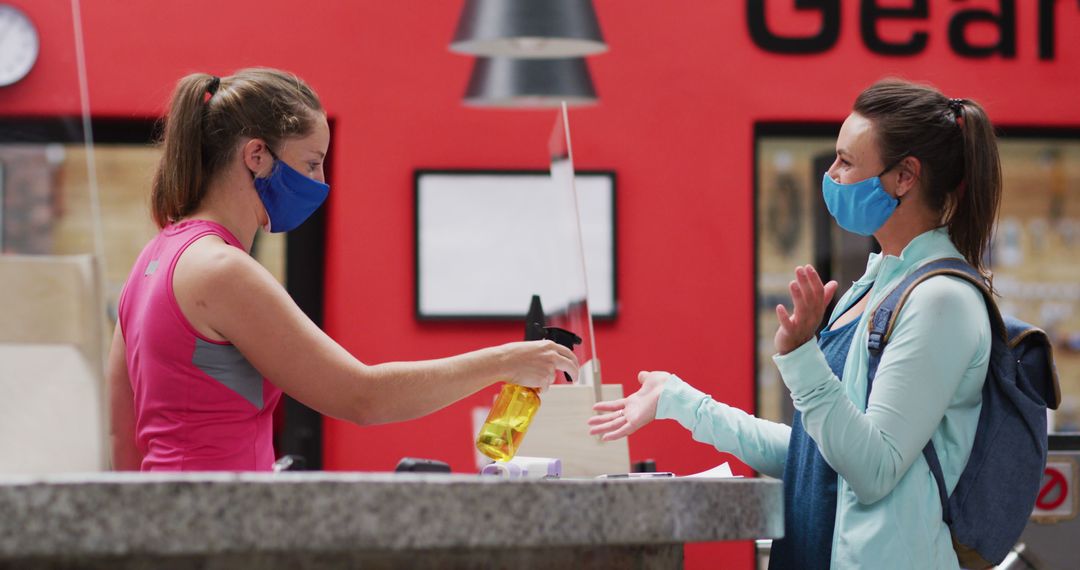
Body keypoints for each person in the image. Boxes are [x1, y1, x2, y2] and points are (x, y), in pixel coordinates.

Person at [589, 79, 1001, 569]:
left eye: (846, 161)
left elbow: (873, 469)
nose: (832, 174)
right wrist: (681, 402)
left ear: (904, 176)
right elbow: (817, 461)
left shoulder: (941, 300)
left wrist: (802, 355)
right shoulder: (876, 286)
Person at [108, 68, 578, 472]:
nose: (320, 183)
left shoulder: (152, 261)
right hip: (219, 527)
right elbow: (363, 397)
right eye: (311, 164)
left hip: (174, 519)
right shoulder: (220, 269)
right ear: (256, 156)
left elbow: (124, 438)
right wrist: (505, 362)